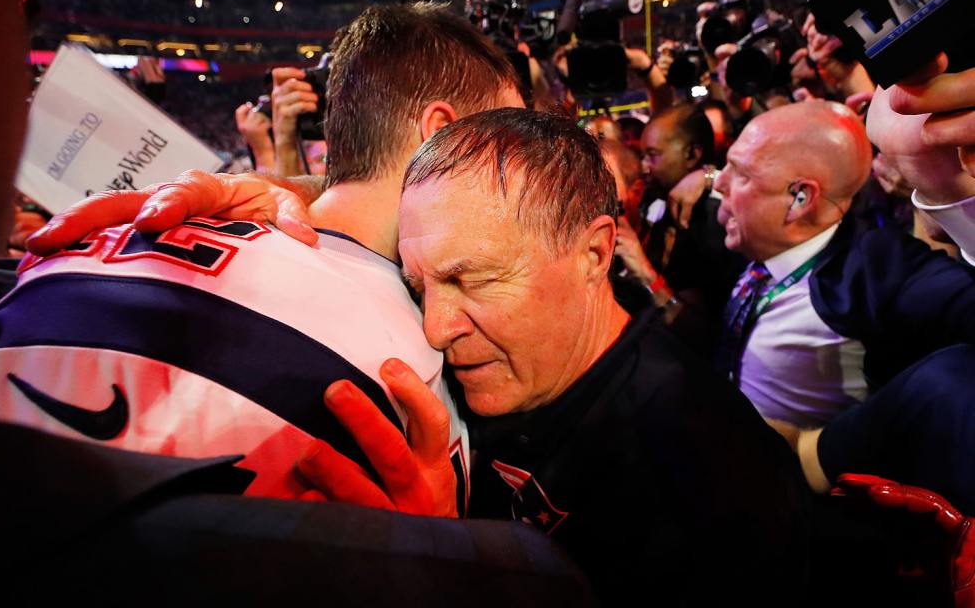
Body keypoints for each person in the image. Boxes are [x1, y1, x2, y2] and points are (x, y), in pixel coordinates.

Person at [0, 2, 525, 501]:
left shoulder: (107, 234)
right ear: (440, 137)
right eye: (507, 143)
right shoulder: (417, 374)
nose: (524, 177)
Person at [298, 108, 812, 605]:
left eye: (472, 279)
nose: (435, 327)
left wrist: (446, 559)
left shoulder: (703, 470)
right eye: (419, 286)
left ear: (594, 254)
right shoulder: (517, 360)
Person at [712, 100, 975, 428]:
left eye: (740, 173)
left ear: (800, 199)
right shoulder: (753, 235)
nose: (717, 183)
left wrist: (954, 196)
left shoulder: (880, 274)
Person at [615, 104, 744, 347]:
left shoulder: (719, 221)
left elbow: (712, 334)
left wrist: (645, 274)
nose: (644, 167)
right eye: (642, 156)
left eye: (652, 155)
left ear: (692, 155)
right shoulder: (662, 203)